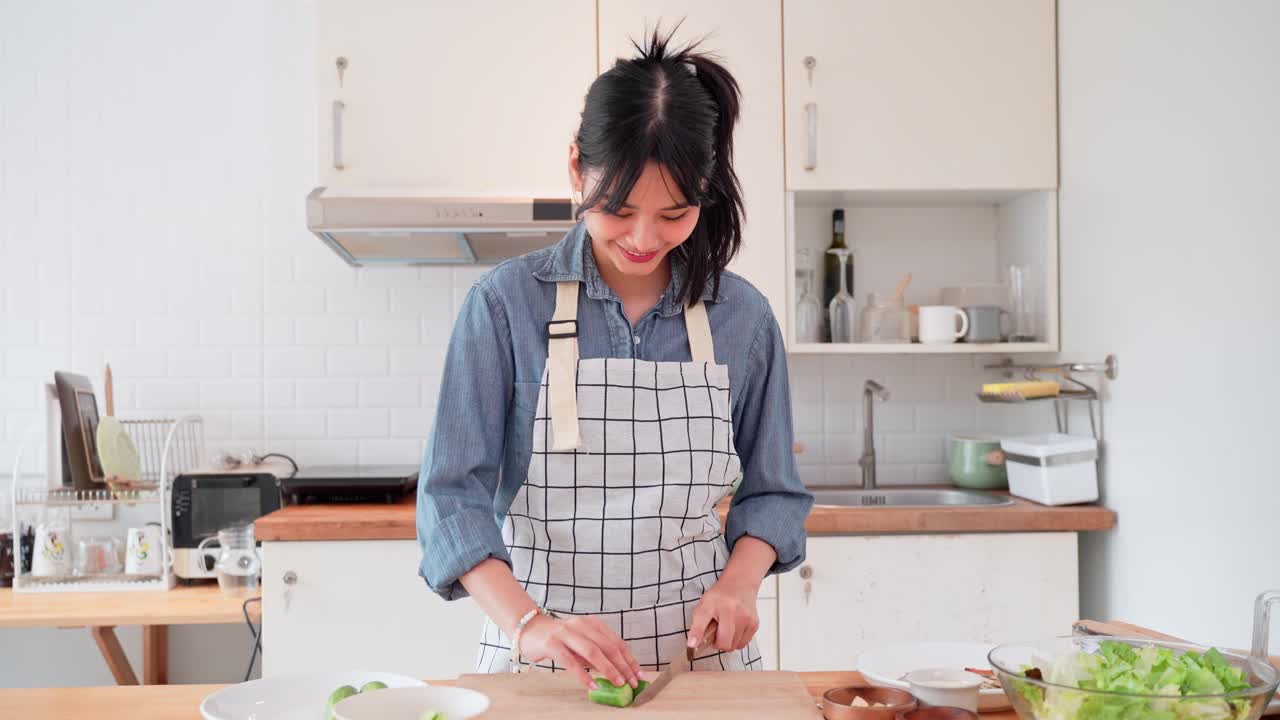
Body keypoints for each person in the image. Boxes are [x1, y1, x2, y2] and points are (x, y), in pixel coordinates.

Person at [416, 28, 813, 692]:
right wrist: (530, 626)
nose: (642, 238)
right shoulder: (505, 306)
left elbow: (773, 491)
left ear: (705, 194)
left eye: (674, 214)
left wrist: (741, 586)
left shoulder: (742, 319)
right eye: (619, 209)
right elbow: (451, 498)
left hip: (699, 667)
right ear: (577, 168)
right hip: (539, 661)